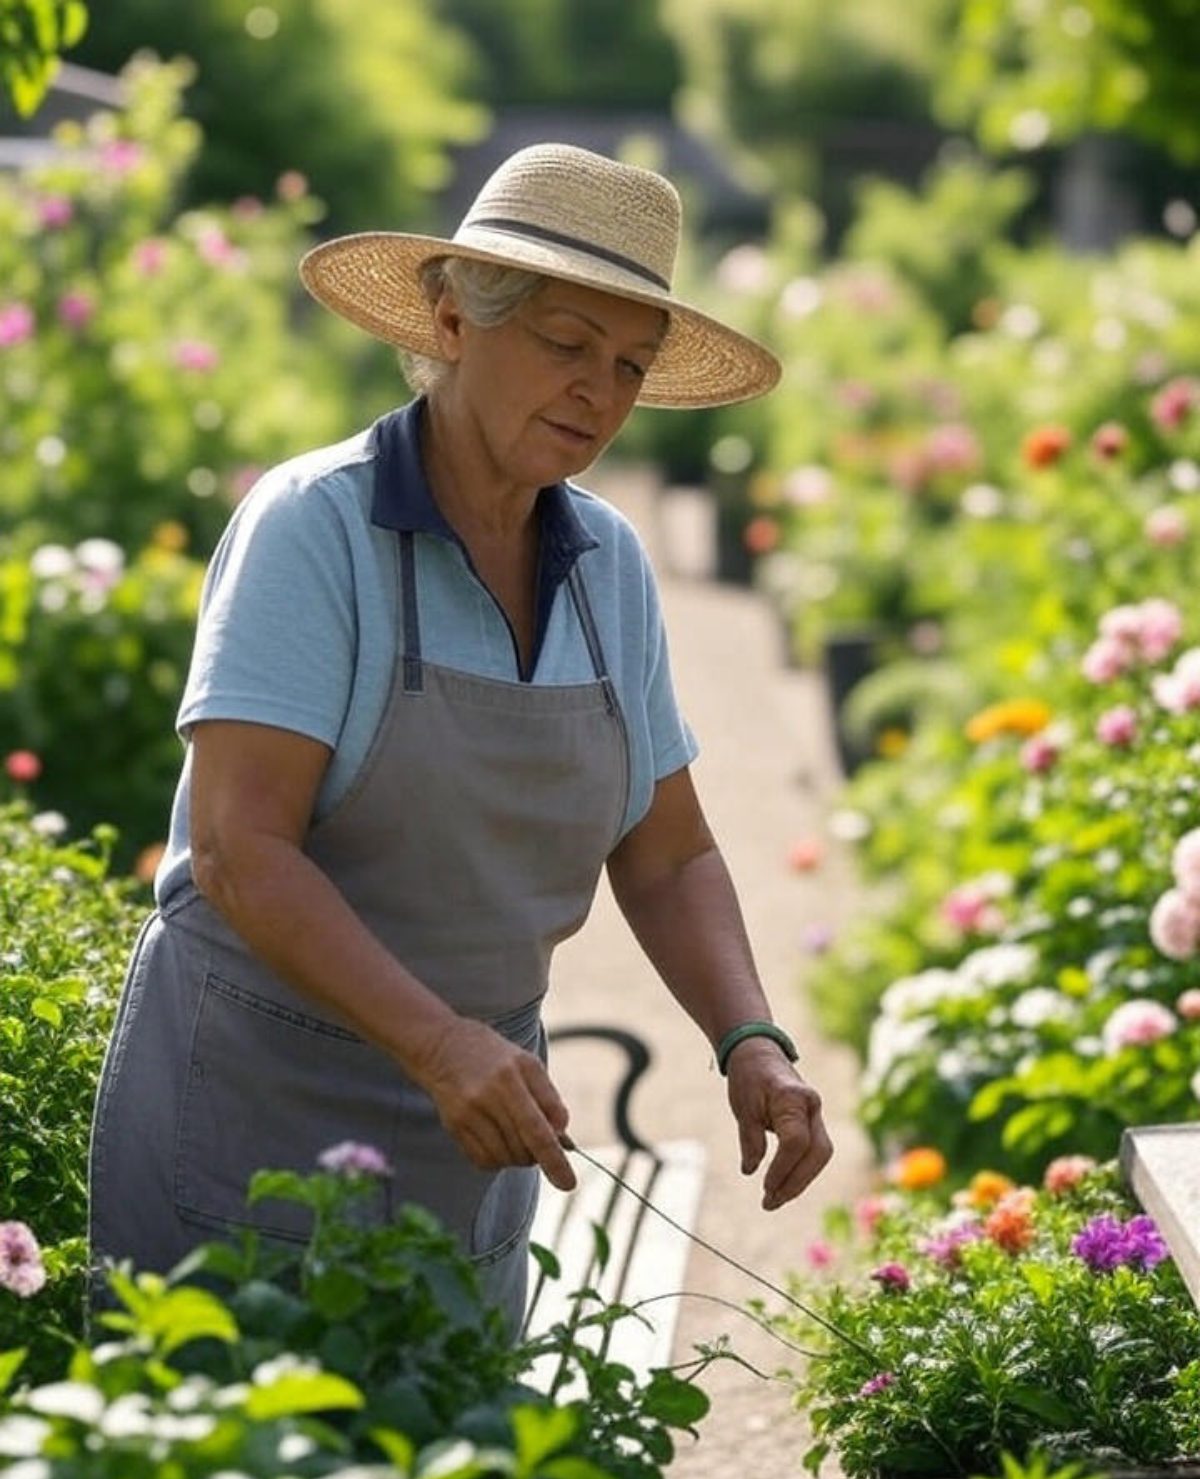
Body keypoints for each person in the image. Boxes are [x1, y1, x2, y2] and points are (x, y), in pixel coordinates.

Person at [87, 142, 833, 1335]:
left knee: (457, 1445)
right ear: (450, 322)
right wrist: (438, 1046)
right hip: (254, 1118)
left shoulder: (609, 568)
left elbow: (669, 852)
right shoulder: (315, 529)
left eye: (629, 365)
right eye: (565, 343)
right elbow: (238, 848)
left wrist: (750, 1039)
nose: (598, 391)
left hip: (475, 1135)